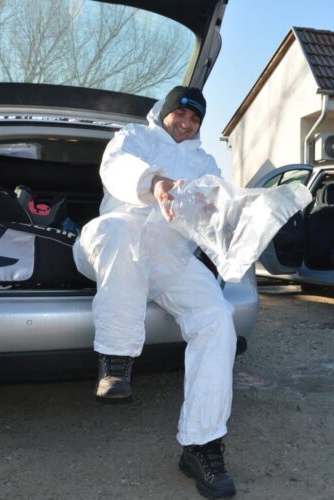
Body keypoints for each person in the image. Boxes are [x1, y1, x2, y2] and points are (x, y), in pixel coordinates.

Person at [73, 86, 237, 499]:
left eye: (195, 119)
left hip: (168, 258)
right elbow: (117, 168)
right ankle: (115, 359)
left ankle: (201, 443)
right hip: (109, 242)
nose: (186, 123)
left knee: (217, 319)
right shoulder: (134, 137)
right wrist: (157, 183)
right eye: (181, 114)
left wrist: (220, 211)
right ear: (166, 112)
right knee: (123, 229)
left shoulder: (204, 162)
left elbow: (214, 203)